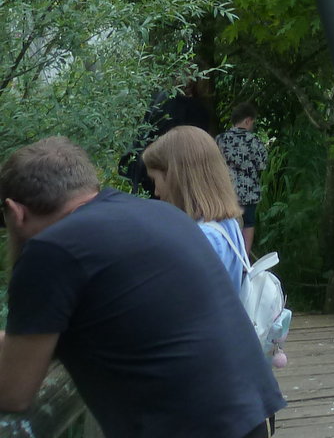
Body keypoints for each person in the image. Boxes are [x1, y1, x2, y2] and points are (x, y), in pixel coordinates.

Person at [0, 136, 284, 436]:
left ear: (15, 211)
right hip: (246, 417)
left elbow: (15, 392)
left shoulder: (50, 250)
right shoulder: (162, 215)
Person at [143, 125, 248, 291]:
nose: (156, 192)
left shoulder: (203, 239)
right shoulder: (227, 224)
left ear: (175, 179)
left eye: (155, 180)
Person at [217, 101, 268, 254]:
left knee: (225, 224)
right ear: (247, 120)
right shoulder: (254, 141)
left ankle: (227, 254)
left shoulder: (220, 139)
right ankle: (244, 259)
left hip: (225, 191)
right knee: (248, 224)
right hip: (248, 193)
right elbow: (262, 165)